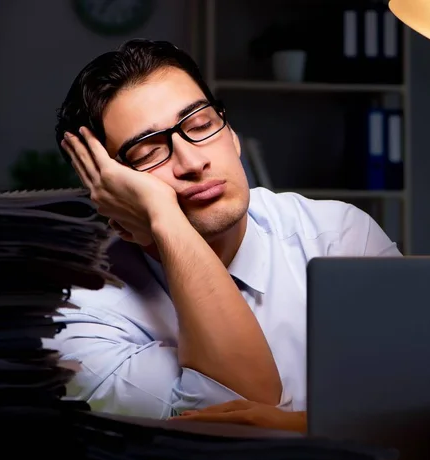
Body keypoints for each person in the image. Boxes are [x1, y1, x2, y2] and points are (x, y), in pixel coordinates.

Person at [52, 38, 402, 425]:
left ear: (232, 133)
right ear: (110, 194)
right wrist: (164, 218)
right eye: (147, 153)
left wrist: (293, 425)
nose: (192, 161)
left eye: (201, 124)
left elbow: (420, 404)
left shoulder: (338, 237)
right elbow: (228, 425)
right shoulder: (80, 316)